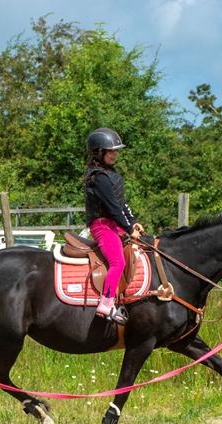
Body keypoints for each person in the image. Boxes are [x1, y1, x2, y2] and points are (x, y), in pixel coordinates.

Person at [84, 127, 144, 325]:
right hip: (102, 226)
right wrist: (128, 229)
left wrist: (133, 222)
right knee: (118, 261)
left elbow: (121, 204)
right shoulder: (99, 177)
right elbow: (112, 208)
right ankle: (106, 303)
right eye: (111, 151)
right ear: (98, 152)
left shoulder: (111, 175)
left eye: (116, 151)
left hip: (115, 224)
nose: (114, 154)